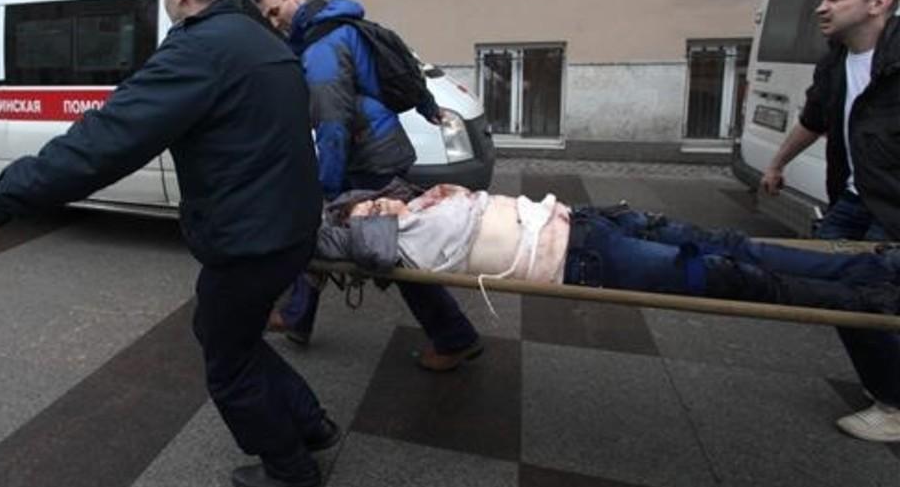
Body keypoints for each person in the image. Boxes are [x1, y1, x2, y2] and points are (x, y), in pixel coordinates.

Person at [0, 0, 338, 487]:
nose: (164, 0)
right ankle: (310, 423)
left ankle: (290, 465)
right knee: (229, 333)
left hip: (250, 237)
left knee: (227, 359)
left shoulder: (200, 51)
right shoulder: (260, 37)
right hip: (289, 224)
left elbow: (103, 142)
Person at [253, 0, 482, 371]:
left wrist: (326, 184)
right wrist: (428, 108)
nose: (275, 22)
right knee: (324, 232)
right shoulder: (346, 27)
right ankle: (297, 317)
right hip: (379, 149)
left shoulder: (323, 46)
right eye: (267, 18)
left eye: (276, 11)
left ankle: (454, 335)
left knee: (393, 248)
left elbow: (333, 124)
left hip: (367, 160)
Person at [319, 182, 898, 315]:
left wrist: (409, 196)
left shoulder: (418, 205)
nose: (374, 210)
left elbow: (393, 195)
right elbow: (336, 239)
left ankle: (871, 268)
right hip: (585, 258)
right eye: (362, 215)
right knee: (732, 276)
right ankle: (872, 299)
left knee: (732, 244)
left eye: (370, 202)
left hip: (591, 221)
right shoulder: (390, 246)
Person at [760, 0, 899, 443]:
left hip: (894, 207)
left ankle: (895, 402)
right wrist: (777, 164)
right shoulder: (836, 60)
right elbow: (814, 119)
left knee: (868, 295)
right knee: (824, 282)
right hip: (856, 197)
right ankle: (887, 379)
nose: (821, 6)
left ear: (879, 3)